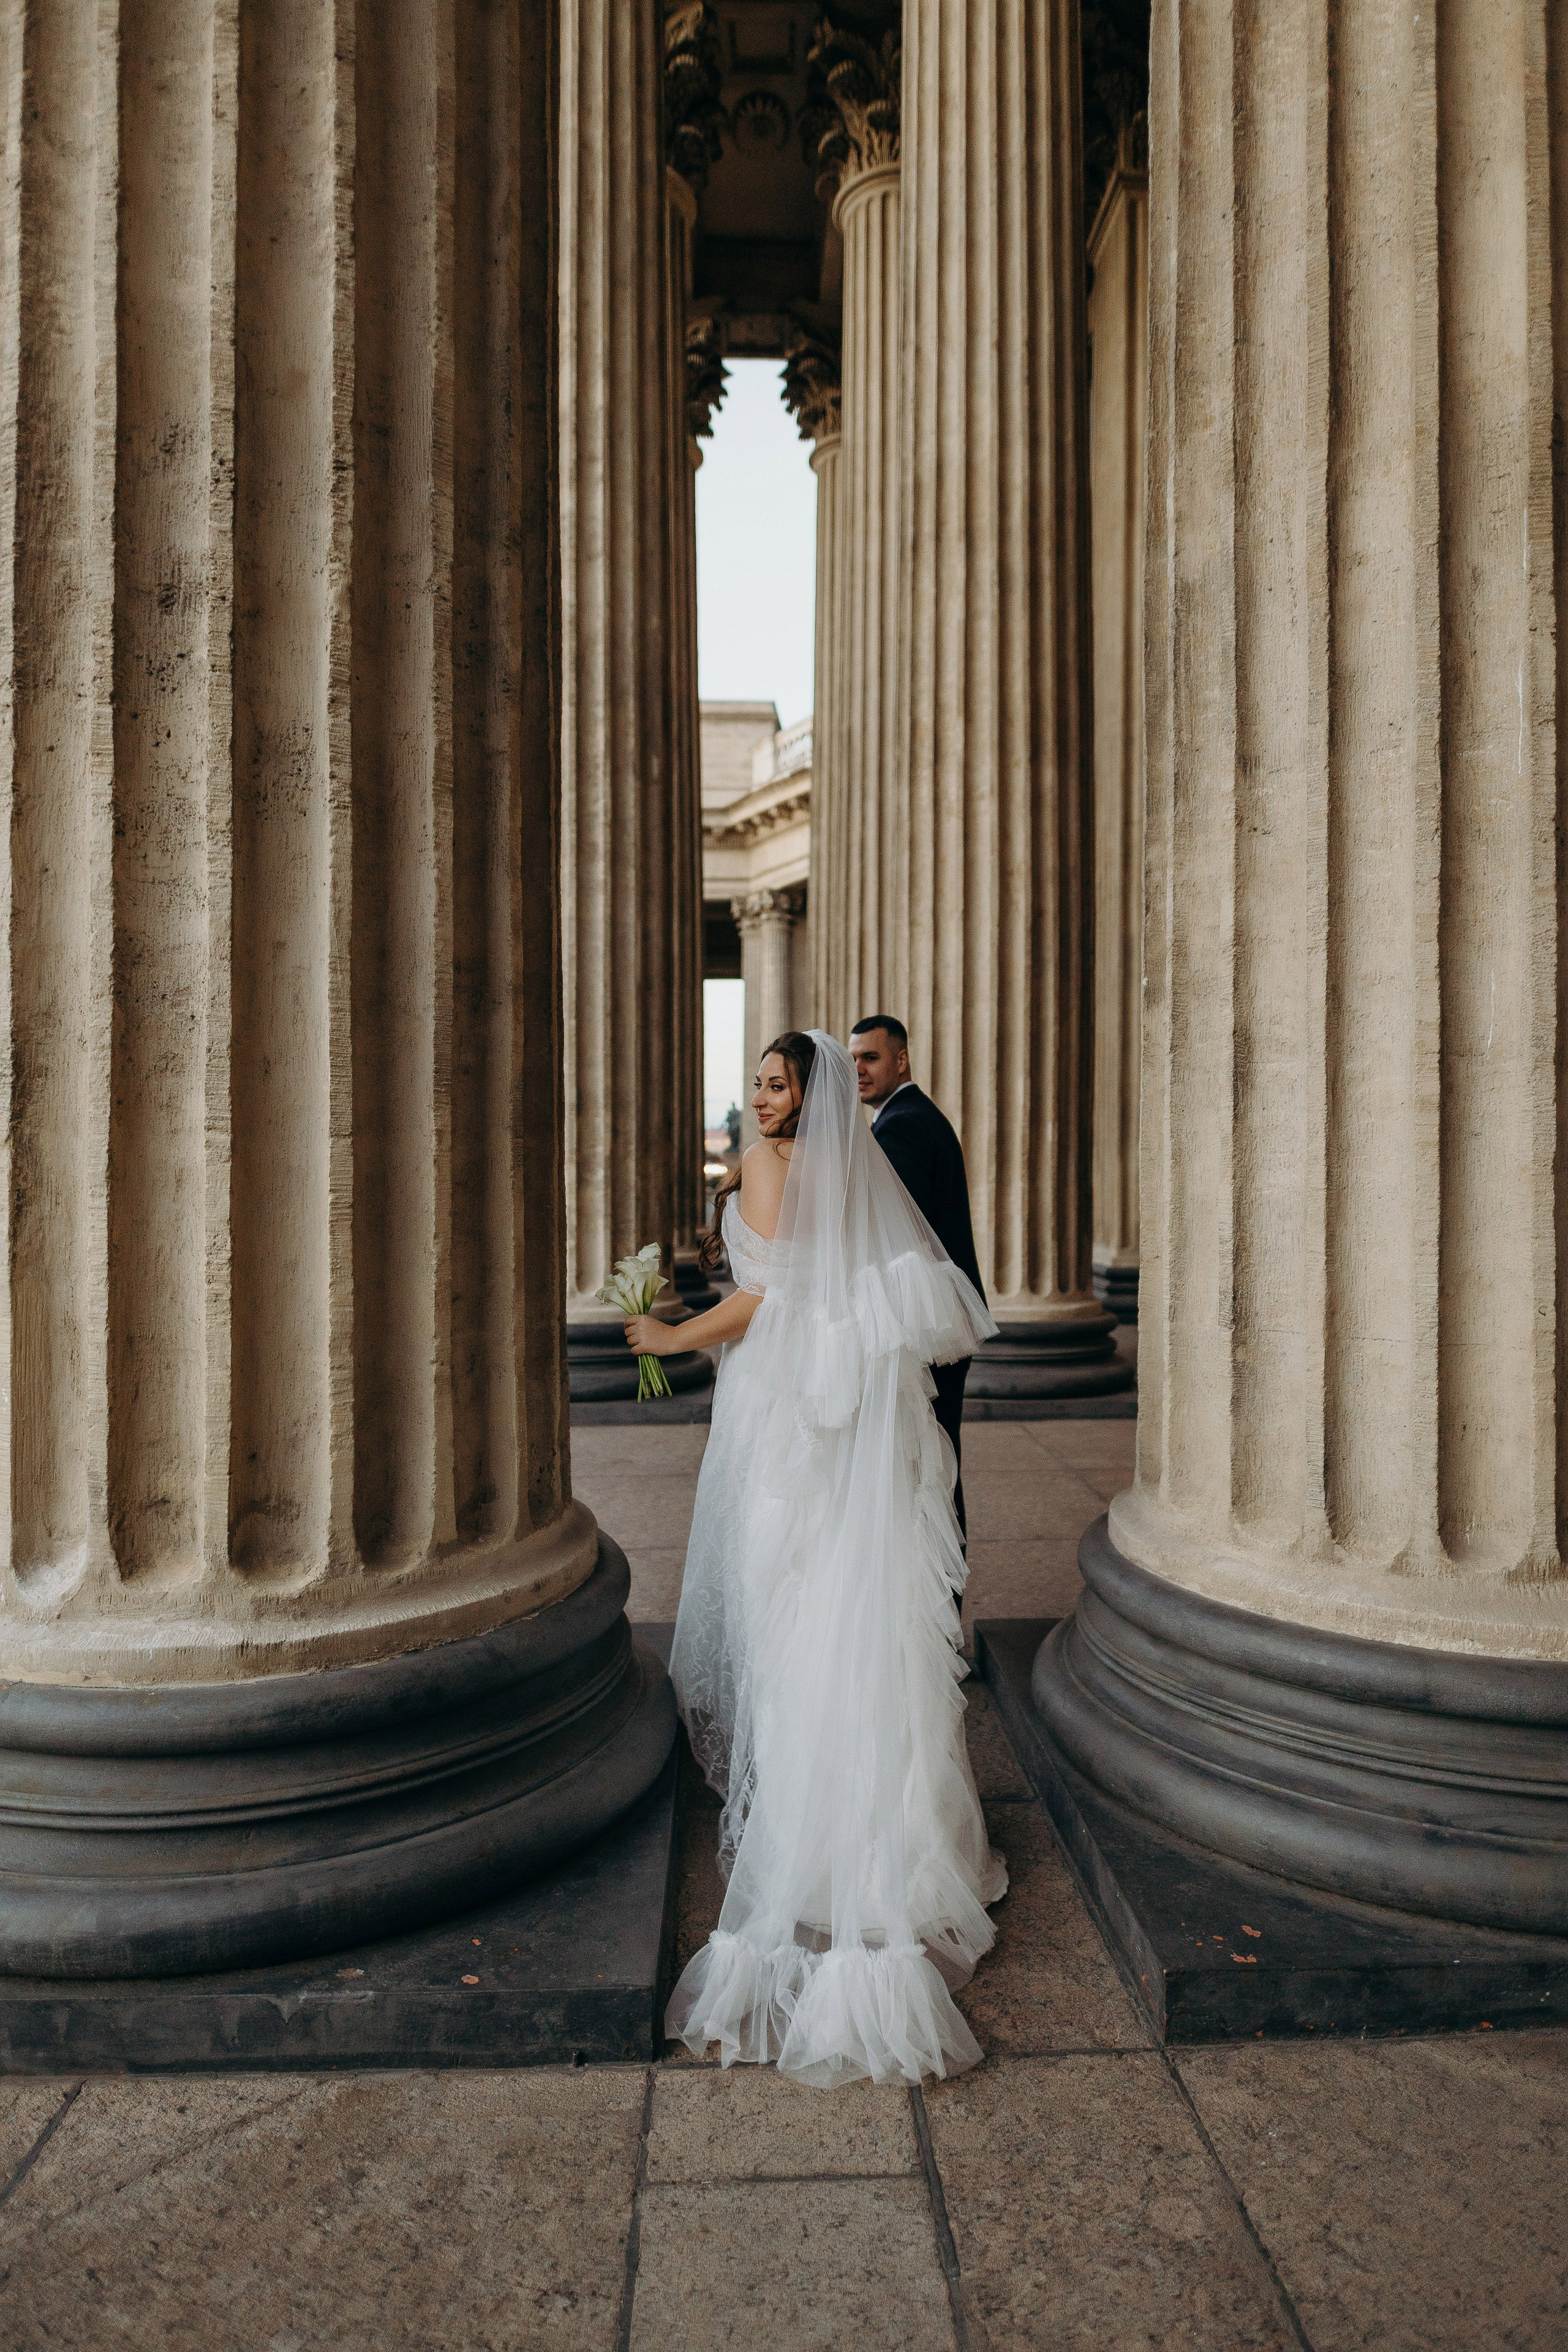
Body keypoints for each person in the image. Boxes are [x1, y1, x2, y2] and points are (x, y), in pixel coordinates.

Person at [622, 1029, 1005, 2086]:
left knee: (786, 1608)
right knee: (856, 1611)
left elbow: (766, 1302)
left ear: (803, 1095)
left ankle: (807, 1833)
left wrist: (667, 1338)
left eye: (774, 1081)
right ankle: (893, 1834)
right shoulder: (853, 1165)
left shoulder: (762, 1165)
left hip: (781, 1411)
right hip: (845, 1421)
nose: (760, 1094)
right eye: (755, 1081)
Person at [849, 1016, 983, 1537]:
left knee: (931, 1464)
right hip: (935, 1321)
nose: (859, 1069)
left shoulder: (902, 1123)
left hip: (925, 1327)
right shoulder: (908, 1116)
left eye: (871, 1057)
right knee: (933, 1459)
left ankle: (939, 1593)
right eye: (854, 1059)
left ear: (901, 1060)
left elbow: (892, 1237)